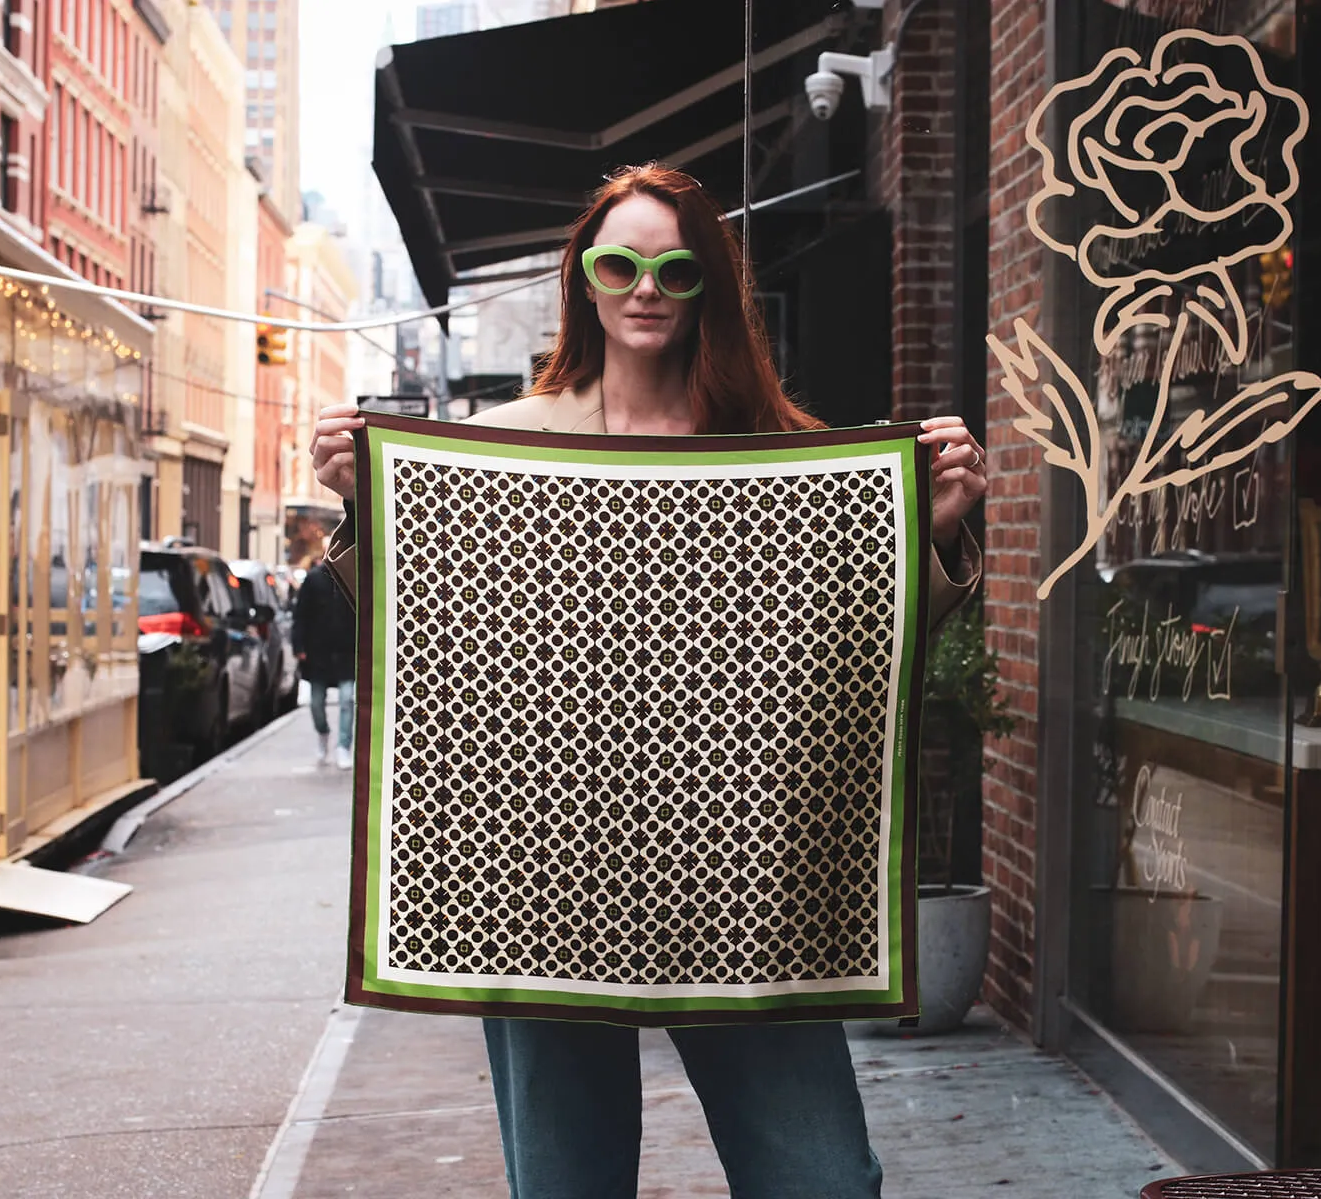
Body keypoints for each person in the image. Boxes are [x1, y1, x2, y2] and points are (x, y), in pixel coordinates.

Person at [308, 163, 989, 1198]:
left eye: (674, 269)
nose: (645, 289)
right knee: (567, 1185)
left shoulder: (784, 457)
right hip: (543, 878)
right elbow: (429, 620)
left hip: (748, 876)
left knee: (823, 1179)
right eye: (619, 263)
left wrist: (929, 534)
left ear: (709, 283)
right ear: (582, 278)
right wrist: (369, 505)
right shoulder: (500, 448)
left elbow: (859, 645)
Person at [290, 558, 357, 769]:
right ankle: (323, 733)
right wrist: (299, 647)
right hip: (318, 653)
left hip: (346, 651)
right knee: (316, 703)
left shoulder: (351, 578)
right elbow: (300, 615)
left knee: (347, 700)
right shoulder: (314, 580)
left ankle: (343, 746)